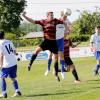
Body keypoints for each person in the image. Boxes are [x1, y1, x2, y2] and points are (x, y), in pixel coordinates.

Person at [22, 11, 64, 80]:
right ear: (47, 16)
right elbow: (32, 21)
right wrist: (24, 16)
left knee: (56, 58)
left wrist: (63, 15)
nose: (52, 17)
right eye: (51, 15)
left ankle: (56, 74)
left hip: (53, 42)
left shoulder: (56, 21)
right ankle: (30, 64)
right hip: (46, 41)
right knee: (36, 51)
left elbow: (62, 19)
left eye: (53, 15)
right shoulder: (43, 21)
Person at [0, 31, 21, 98]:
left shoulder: (0, 43)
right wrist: (17, 56)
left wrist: (1, 65)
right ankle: (17, 91)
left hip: (6, 64)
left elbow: (1, 55)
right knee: (13, 78)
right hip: (13, 63)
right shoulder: (9, 41)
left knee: (2, 78)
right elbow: (14, 51)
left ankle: (4, 93)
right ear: (4, 35)